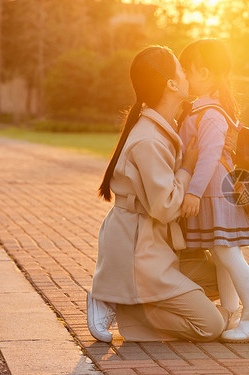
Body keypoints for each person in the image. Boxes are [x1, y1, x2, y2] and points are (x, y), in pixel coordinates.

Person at [87, 45, 225, 343]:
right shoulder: (148, 139)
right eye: (181, 68)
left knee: (226, 277)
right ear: (171, 84)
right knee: (211, 325)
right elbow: (165, 207)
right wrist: (188, 167)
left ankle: (130, 298)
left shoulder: (166, 128)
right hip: (140, 255)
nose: (187, 73)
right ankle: (120, 300)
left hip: (159, 246)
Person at [178, 38, 249, 342]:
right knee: (221, 256)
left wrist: (192, 192)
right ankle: (231, 313)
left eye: (188, 71)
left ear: (203, 73)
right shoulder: (204, 110)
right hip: (215, 194)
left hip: (216, 195)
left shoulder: (212, 114)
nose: (186, 77)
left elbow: (208, 156)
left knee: (229, 255)